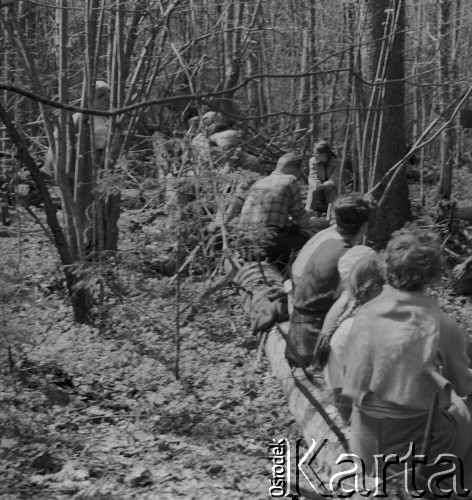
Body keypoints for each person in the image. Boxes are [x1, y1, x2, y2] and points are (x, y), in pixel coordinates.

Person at [342, 226, 472, 477]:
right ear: (434, 275)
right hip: (416, 450)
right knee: (465, 407)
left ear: (387, 269)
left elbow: (354, 384)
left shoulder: (364, 315)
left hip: (364, 446)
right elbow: (463, 386)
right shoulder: (443, 326)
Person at [285, 194, 371, 368]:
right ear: (364, 227)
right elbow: (349, 305)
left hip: (295, 342)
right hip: (315, 349)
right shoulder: (350, 256)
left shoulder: (325, 243)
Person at [322, 249, 385, 422]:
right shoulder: (363, 325)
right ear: (377, 289)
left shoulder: (349, 308)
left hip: (342, 396)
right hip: (352, 411)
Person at [238, 152, 319, 268]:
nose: (299, 176)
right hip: (268, 242)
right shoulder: (290, 179)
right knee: (315, 238)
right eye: (299, 172)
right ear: (293, 169)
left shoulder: (258, 183)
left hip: (244, 244)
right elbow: (303, 222)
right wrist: (312, 218)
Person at [305, 140, 341, 214]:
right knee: (313, 189)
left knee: (331, 191)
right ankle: (307, 214)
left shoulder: (337, 162)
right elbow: (313, 176)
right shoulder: (312, 161)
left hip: (333, 188)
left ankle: (333, 216)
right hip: (319, 187)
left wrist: (326, 185)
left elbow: (335, 178)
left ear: (324, 154)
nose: (314, 155)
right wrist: (317, 185)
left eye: (316, 153)